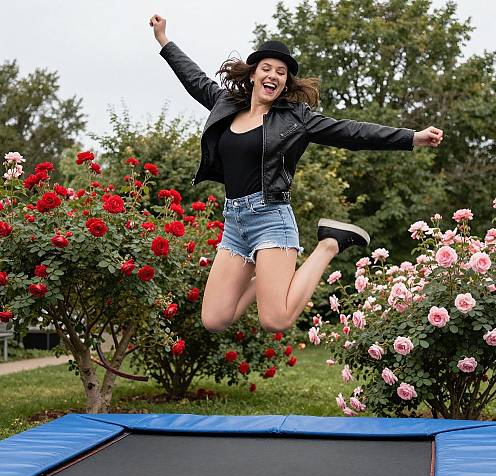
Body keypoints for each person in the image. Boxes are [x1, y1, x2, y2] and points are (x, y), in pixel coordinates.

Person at [149, 14, 443, 334]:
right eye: (266, 68)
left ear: (285, 82)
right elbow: (194, 78)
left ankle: (329, 244)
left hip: (270, 218)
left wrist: (411, 137)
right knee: (216, 319)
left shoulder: (295, 119)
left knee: (275, 320)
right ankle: (268, 270)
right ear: (252, 75)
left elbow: (352, 133)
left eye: (281, 72)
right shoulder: (225, 103)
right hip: (234, 221)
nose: (273, 75)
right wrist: (164, 40)